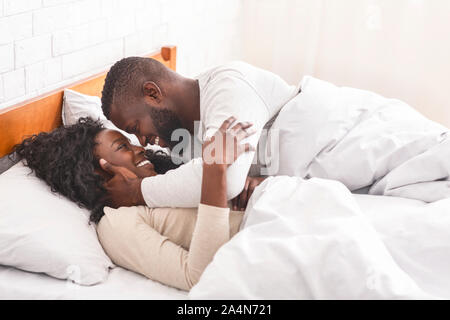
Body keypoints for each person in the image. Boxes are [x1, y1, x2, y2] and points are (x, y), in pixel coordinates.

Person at [13, 117, 263, 290]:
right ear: (94, 173)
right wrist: (215, 172)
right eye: (123, 146)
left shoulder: (171, 182)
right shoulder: (116, 223)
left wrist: (249, 184)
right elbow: (199, 276)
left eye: (132, 142)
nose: (140, 148)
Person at [100, 57, 298, 210]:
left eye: (136, 128)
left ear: (153, 93)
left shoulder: (229, 87)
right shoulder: (180, 143)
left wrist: (136, 191)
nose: (142, 142)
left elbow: (225, 178)